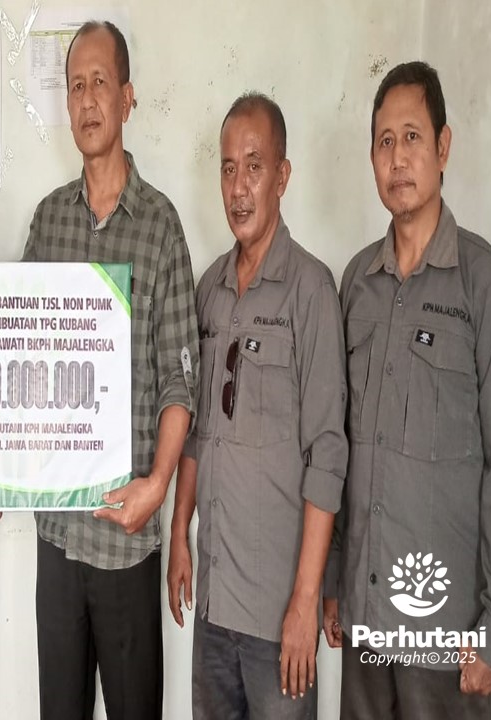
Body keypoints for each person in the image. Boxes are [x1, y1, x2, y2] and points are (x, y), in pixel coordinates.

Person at [323, 61, 491, 719]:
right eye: (384, 141)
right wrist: (333, 577)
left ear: (443, 146)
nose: (398, 157)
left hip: (445, 635)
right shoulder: (357, 283)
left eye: (412, 136)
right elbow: (339, 447)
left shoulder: (484, 284)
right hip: (366, 617)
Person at [21, 21, 199, 720]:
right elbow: (14, 347)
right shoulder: (49, 222)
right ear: (67, 104)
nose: (88, 99)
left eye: (100, 82)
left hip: (127, 538)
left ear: (127, 98)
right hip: (59, 535)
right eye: (76, 86)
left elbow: (180, 379)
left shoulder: (159, 226)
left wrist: (159, 486)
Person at [167, 93, 347, 720]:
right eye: (227, 168)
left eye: (254, 166)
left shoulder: (311, 290)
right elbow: (196, 431)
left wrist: (305, 601)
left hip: (278, 617)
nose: (239, 187)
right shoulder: (210, 290)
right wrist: (179, 533)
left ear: (283, 176)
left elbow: (328, 454)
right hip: (215, 604)